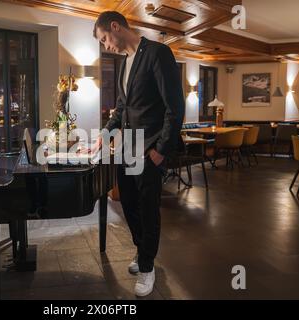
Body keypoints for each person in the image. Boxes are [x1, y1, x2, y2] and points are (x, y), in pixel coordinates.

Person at [92, 11, 185, 296]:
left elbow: (175, 106)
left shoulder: (158, 53)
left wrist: (161, 150)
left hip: (149, 149)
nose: (106, 46)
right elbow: (122, 108)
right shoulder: (125, 63)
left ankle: (147, 267)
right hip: (127, 147)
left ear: (116, 27)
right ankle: (142, 251)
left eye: (105, 38)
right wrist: (103, 135)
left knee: (147, 209)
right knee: (128, 204)